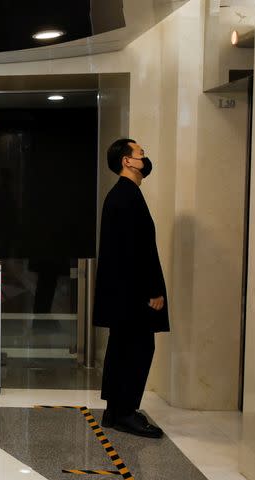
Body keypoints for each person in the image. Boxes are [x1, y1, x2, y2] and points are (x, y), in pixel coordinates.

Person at [93, 138, 169, 438]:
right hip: (133, 293)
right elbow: (137, 250)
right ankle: (125, 412)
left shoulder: (121, 195)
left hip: (123, 292)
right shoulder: (127, 196)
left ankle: (115, 409)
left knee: (122, 347)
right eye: (140, 154)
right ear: (127, 161)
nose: (144, 158)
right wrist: (153, 290)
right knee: (138, 348)